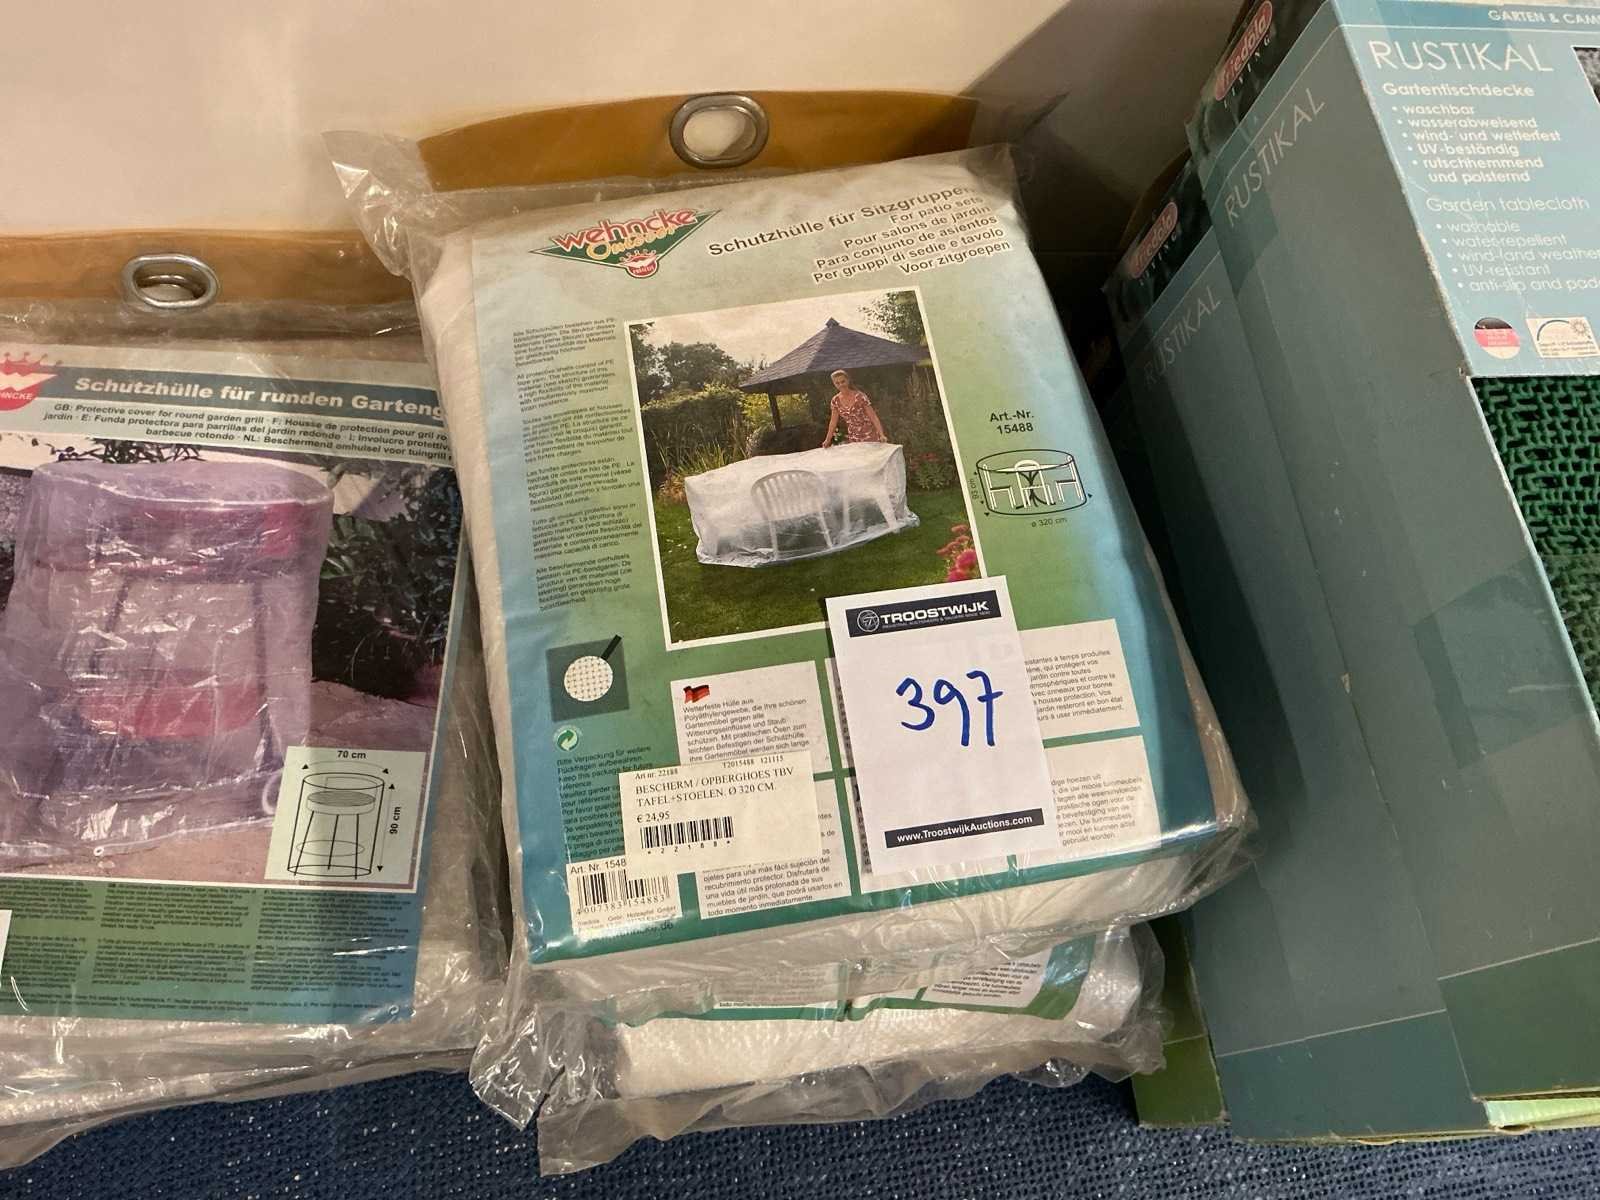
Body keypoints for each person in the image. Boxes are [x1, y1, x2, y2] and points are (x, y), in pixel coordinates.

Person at [819, 369, 887, 446]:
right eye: (837, 383)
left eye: (843, 381)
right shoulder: (835, 401)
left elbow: (873, 416)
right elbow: (833, 422)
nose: (841, 385)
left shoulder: (860, 396)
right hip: (854, 438)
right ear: (834, 384)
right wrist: (827, 440)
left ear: (848, 381)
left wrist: (882, 435)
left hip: (870, 435)